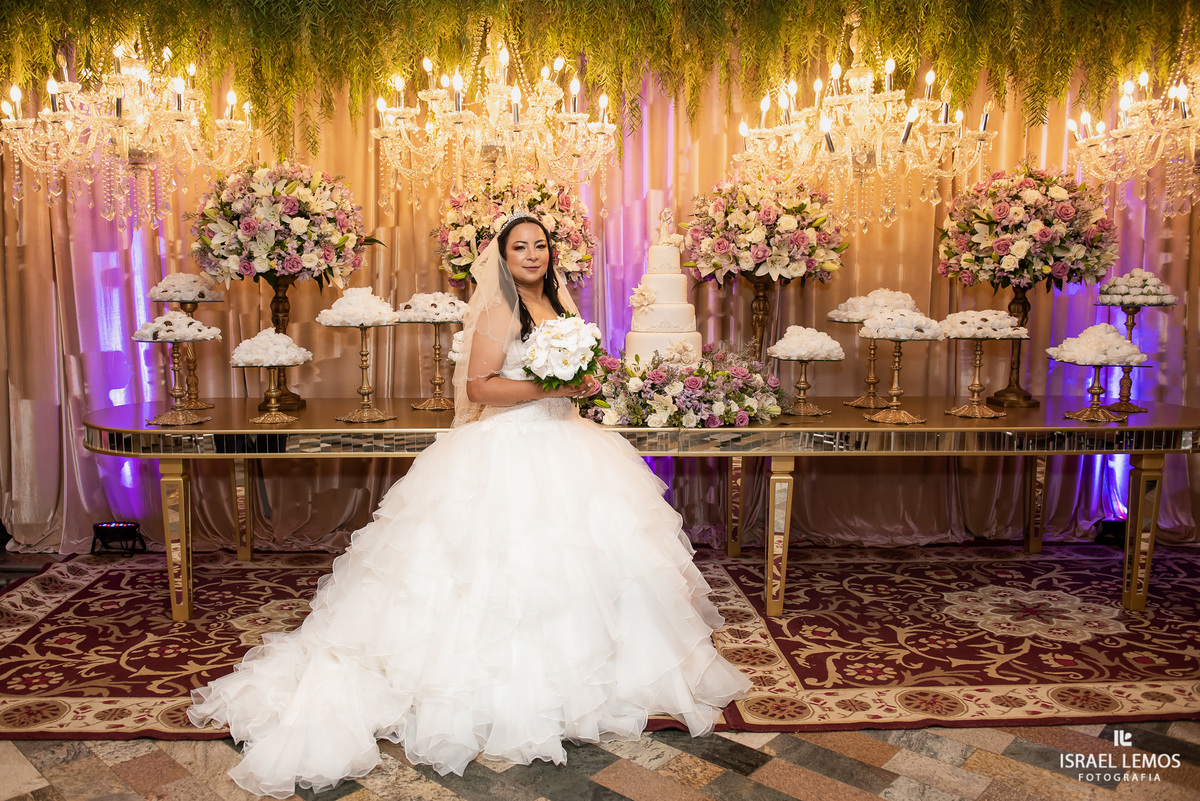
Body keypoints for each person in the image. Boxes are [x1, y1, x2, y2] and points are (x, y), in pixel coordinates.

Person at [188, 211, 751, 798]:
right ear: (503, 259)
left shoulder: (561, 309)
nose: (532, 255)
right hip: (510, 447)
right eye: (519, 248)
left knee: (589, 565)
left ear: (551, 254)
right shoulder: (499, 311)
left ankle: (602, 679)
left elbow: (571, 376)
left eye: (540, 246)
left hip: (570, 444)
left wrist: (582, 383)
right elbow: (480, 388)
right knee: (496, 575)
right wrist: (551, 387)